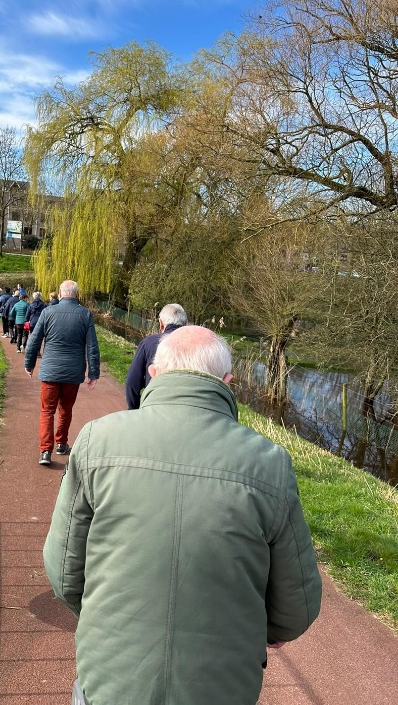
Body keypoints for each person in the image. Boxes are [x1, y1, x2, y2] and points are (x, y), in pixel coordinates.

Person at [43, 326, 322, 705]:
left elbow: (64, 572)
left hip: (111, 680)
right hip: (223, 688)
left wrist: (103, 617)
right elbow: (297, 605)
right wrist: (255, 632)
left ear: (154, 374)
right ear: (227, 382)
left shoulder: (96, 441)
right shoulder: (269, 463)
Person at [24, 280, 100, 466]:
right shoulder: (85, 314)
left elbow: (34, 340)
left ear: (60, 293)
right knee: (65, 409)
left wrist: (29, 363)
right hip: (73, 373)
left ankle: (45, 451)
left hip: (50, 370)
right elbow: (92, 345)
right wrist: (94, 373)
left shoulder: (48, 312)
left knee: (47, 410)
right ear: (76, 294)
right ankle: (61, 443)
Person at [125, 302, 188, 409]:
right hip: (186, 408)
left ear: (161, 323)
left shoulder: (148, 343)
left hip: (154, 406)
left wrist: (134, 409)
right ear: (186, 324)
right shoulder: (197, 345)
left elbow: (132, 382)